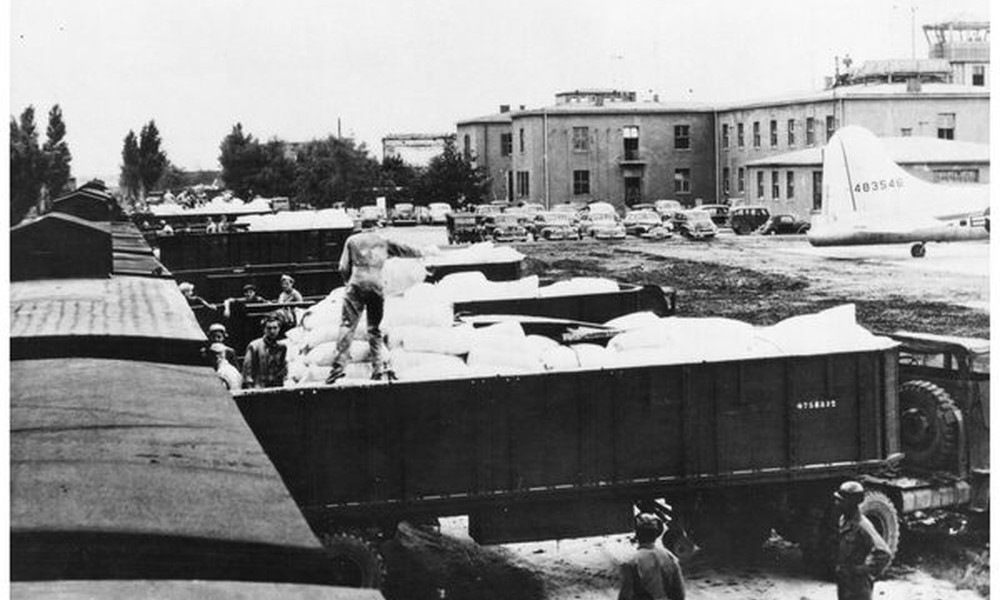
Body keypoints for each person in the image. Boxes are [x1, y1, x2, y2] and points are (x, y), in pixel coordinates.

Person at [326, 218, 429, 383]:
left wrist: (349, 282)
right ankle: (378, 369)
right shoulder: (383, 241)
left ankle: (337, 369)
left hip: (357, 282)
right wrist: (423, 251)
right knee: (374, 328)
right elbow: (404, 249)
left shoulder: (352, 241)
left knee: (347, 326)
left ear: (362, 227)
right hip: (376, 283)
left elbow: (342, 267)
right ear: (376, 227)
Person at [834, 481, 893, 600]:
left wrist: (862, 570)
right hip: (845, 581)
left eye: (841, 500)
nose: (837, 503)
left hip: (858, 586)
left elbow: (884, 553)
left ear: (852, 503)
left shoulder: (863, 526)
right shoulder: (844, 520)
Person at [618, 513, 685, 600]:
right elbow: (680, 595)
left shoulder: (631, 563)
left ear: (637, 535)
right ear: (656, 535)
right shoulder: (670, 558)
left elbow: (625, 596)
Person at [241, 315, 287, 389]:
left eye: (275, 328)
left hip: (276, 387)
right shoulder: (254, 346)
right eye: (269, 328)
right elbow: (247, 373)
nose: (272, 331)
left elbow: (282, 370)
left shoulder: (282, 348)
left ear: (279, 329)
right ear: (264, 330)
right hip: (259, 387)